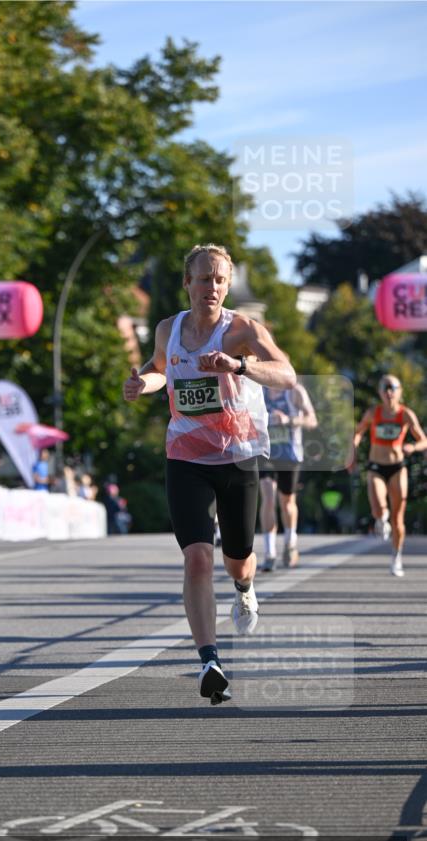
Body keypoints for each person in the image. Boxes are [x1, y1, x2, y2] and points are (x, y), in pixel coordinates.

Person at [123, 243, 296, 704]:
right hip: (185, 455)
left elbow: (287, 374)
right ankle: (209, 660)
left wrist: (239, 365)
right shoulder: (168, 329)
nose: (212, 287)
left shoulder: (241, 328)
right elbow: (161, 369)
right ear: (188, 283)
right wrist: (144, 382)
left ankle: (244, 588)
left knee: (237, 556)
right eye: (204, 279)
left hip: (238, 454)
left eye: (220, 280)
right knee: (197, 556)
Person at [350, 375, 427, 577]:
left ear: (400, 391)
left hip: (398, 467)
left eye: (393, 388)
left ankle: (396, 556)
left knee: (397, 518)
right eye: (385, 388)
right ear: (380, 392)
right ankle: (380, 518)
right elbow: (358, 432)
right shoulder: (373, 413)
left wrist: (413, 446)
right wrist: (354, 447)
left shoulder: (405, 414)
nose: (389, 392)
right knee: (378, 507)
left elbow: (423, 440)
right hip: (376, 466)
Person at [259, 383, 317, 571]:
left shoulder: (295, 391)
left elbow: (312, 420)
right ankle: (269, 553)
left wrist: (288, 420)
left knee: (287, 502)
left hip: (289, 455)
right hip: (266, 453)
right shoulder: (258, 389)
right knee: (268, 498)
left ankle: (290, 544)